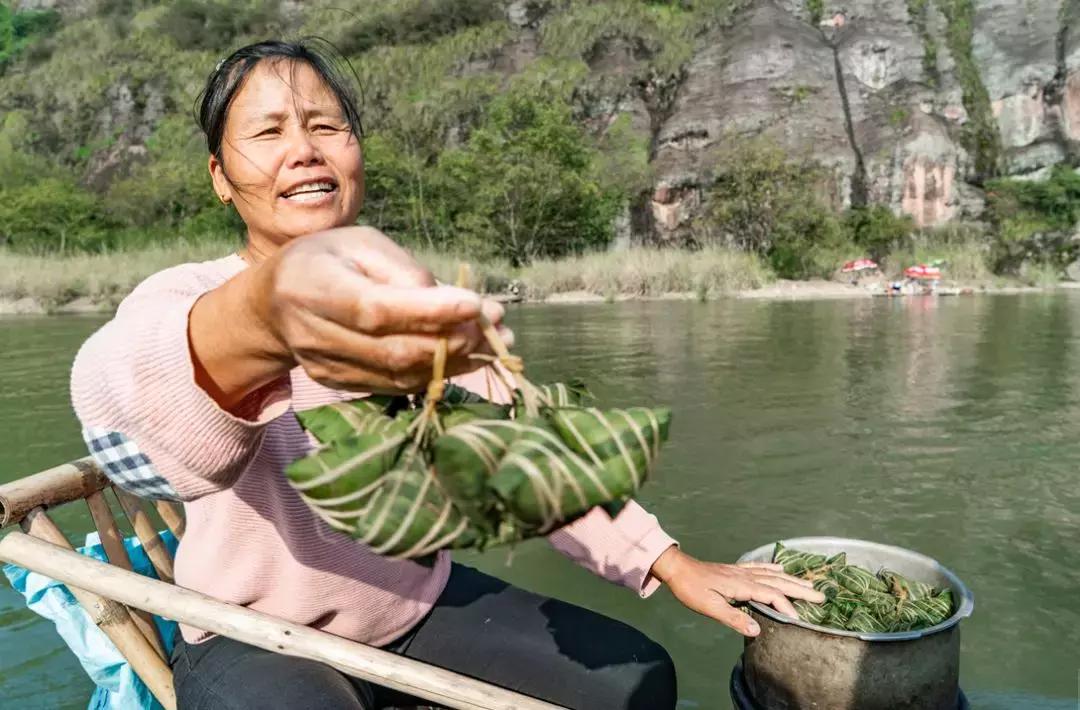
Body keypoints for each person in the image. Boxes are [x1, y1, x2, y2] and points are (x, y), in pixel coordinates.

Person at [70, 41, 823, 710]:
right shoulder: (184, 298)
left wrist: (666, 560)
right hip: (251, 633)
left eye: (326, 126)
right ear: (221, 176)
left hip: (412, 604)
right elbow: (126, 422)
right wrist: (266, 317)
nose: (303, 150)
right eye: (268, 133)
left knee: (638, 679)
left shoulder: (416, 298)